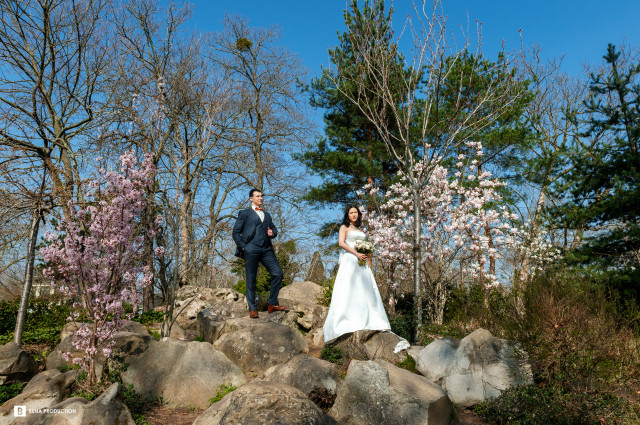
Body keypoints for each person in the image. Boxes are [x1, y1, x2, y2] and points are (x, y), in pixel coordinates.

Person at [323, 206, 393, 343]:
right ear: (347, 215)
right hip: (350, 259)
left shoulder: (360, 230)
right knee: (349, 288)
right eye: (351, 213)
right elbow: (341, 243)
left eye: (355, 212)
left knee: (365, 289)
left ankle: (368, 319)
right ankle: (346, 321)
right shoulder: (344, 227)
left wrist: (365, 252)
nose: (354, 215)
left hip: (362, 261)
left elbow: (362, 243)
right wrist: (356, 253)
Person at [232, 189, 288, 319]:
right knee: (251, 279)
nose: (260, 198)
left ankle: (272, 304)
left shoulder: (267, 215)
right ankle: (252, 309)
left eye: (261, 196)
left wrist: (273, 233)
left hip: (266, 249)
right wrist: (243, 247)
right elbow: (235, 232)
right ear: (251, 198)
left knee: (277, 273)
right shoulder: (244, 213)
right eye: (257, 196)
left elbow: (274, 229)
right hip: (250, 248)